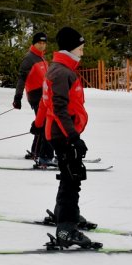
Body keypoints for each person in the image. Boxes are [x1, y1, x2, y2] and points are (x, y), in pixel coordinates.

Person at [33, 27, 94, 249]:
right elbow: (58, 108)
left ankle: (64, 214)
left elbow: (44, 102)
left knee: (70, 174)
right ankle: (67, 229)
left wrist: (38, 124)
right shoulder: (61, 72)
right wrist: (74, 137)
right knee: (72, 177)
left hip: (61, 132)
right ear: (70, 48)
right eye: (80, 48)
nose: (83, 52)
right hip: (63, 134)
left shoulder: (60, 69)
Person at [13, 32, 54, 166]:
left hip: (46, 96)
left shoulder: (41, 58)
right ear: (34, 43)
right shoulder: (29, 58)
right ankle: (43, 156)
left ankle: (35, 151)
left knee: (41, 123)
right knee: (45, 124)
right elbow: (21, 79)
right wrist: (17, 97)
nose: (42, 45)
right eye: (39, 43)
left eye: (44, 43)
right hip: (36, 97)